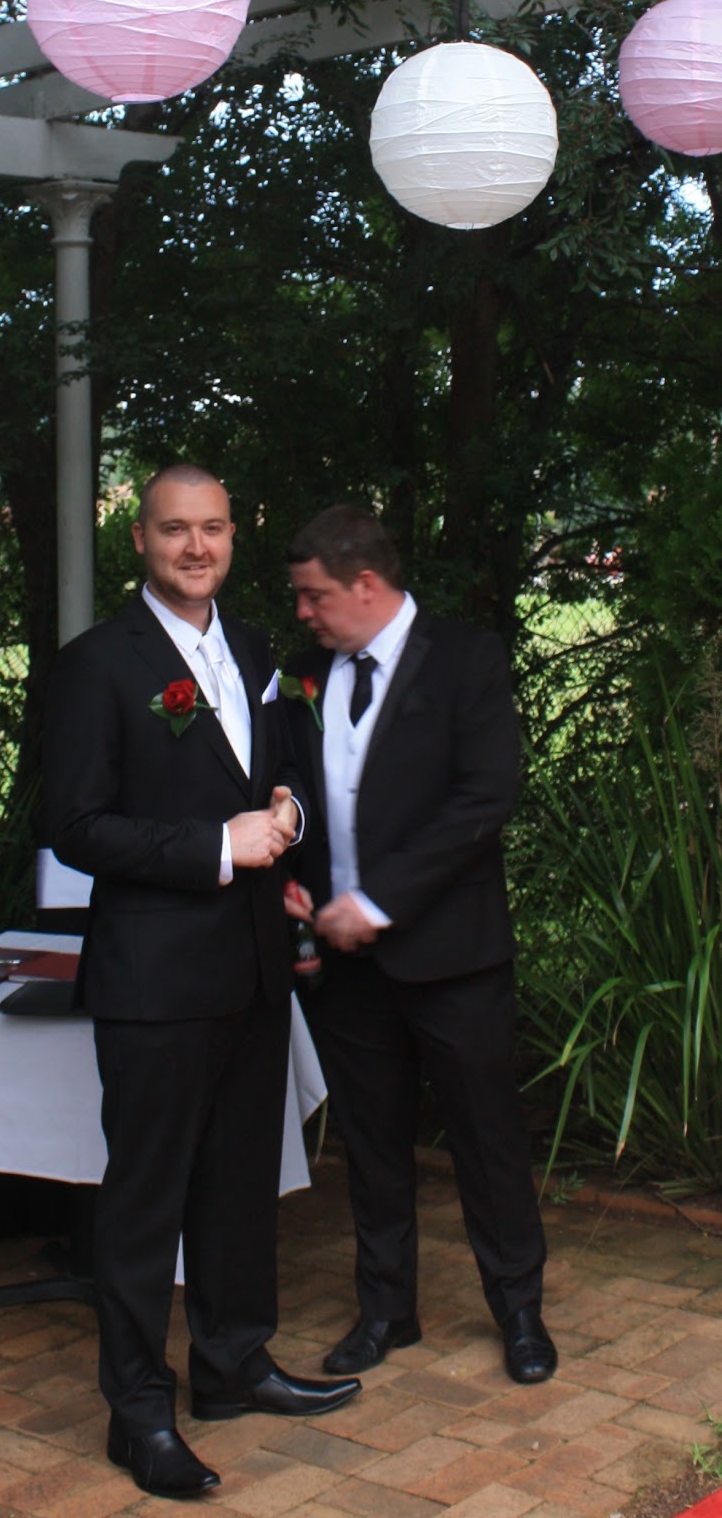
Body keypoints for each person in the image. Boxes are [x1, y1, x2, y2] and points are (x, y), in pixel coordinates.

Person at [43, 467, 360, 1501]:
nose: (195, 547)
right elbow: (74, 825)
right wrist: (215, 847)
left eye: (212, 528)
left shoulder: (259, 651)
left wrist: (290, 812)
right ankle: (138, 1409)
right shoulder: (97, 664)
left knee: (237, 1187)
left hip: (254, 969)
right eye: (175, 529)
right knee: (146, 1203)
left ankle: (232, 1364)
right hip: (153, 977)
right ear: (140, 539)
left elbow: (283, 770)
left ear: (232, 536)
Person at [282, 504, 556, 1388]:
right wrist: (294, 878)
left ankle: (519, 1311)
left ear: (366, 583)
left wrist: (378, 902)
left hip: (455, 958)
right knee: (371, 1143)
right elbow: (290, 789)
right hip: (345, 967)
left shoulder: (467, 659)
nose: (303, 613)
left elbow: (485, 796)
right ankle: (386, 1310)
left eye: (315, 596)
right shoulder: (303, 675)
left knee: (486, 1138)